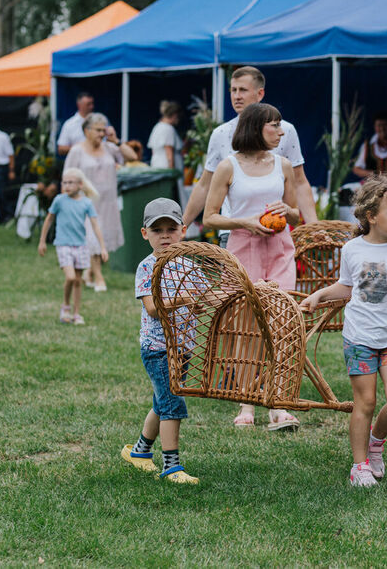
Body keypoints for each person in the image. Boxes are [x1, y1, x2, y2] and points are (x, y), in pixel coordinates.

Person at [300, 175, 387, 487]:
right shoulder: (352, 249)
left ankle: (376, 441)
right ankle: (360, 465)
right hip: (360, 339)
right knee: (365, 403)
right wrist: (319, 295)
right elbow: (347, 287)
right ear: (371, 217)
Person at [202, 102, 302, 431]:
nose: (281, 131)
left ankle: (276, 404)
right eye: (274, 125)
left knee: (281, 323)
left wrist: (285, 209)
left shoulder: (283, 165)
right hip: (243, 248)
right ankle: (247, 401)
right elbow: (209, 217)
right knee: (247, 326)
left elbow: (295, 214)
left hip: (279, 248)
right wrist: (243, 221)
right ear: (256, 127)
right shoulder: (228, 167)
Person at [120, 198, 199, 485]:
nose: (165, 235)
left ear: (184, 230)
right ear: (145, 234)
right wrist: (184, 299)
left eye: (171, 228)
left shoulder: (189, 266)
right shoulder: (147, 267)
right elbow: (153, 308)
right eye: (157, 230)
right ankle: (171, 466)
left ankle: (140, 453)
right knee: (172, 405)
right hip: (158, 350)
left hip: (184, 349)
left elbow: (206, 297)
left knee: (161, 402)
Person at [183, 66, 318, 228]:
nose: (237, 96)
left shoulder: (284, 130)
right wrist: (181, 227)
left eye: (243, 90)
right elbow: (205, 185)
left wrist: (314, 227)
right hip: (233, 230)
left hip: (275, 229)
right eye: (233, 90)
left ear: (260, 93)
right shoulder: (220, 133)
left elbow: (300, 182)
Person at [63, 113, 136, 292]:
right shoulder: (76, 150)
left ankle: (89, 273)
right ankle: (99, 278)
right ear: (87, 131)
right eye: (98, 130)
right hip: (86, 203)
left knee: (103, 240)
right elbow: (67, 176)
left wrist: (116, 140)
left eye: (104, 130)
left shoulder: (109, 148)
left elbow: (132, 156)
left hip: (108, 202)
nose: (102, 133)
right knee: (93, 239)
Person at [37, 168, 108, 325]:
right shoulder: (59, 200)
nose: (66, 185)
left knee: (77, 281)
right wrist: (42, 241)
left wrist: (102, 247)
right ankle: (65, 307)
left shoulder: (86, 203)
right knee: (70, 277)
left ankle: (76, 313)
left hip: (81, 246)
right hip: (63, 245)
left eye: (70, 182)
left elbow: (95, 225)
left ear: (80, 185)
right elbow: (49, 220)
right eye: (64, 182)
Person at [147, 100, 183, 170]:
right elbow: (169, 152)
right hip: (167, 169)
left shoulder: (157, 127)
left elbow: (153, 151)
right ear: (175, 115)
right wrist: (171, 171)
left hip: (157, 165)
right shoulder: (168, 129)